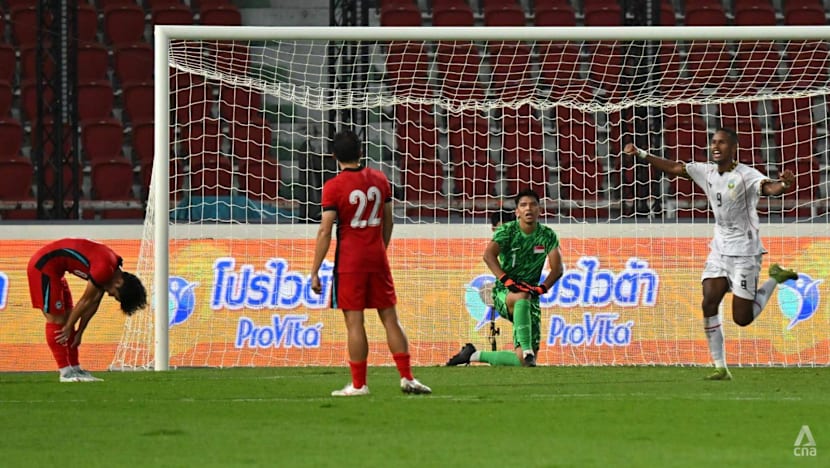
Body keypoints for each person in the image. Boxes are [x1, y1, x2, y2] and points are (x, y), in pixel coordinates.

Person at [623, 127, 799, 380]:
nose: (716, 146)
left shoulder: (746, 175)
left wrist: (784, 183)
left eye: (722, 143)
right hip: (719, 250)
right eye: (713, 142)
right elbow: (675, 168)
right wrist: (641, 154)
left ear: (734, 148)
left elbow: (770, 188)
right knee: (708, 301)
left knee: (742, 318)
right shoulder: (704, 171)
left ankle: (775, 277)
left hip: (745, 254)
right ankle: (720, 366)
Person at [310, 130, 431, 397]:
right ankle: (407, 377)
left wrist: (314, 270)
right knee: (390, 318)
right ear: (361, 152)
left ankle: (358, 384)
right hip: (377, 257)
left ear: (333, 156)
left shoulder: (333, 187)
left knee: (355, 322)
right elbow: (389, 221)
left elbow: (325, 231)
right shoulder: (379, 179)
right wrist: (380, 249)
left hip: (350, 261)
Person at [447, 189, 564, 367]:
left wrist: (542, 288)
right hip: (504, 292)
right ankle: (527, 349)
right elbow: (488, 256)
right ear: (517, 211)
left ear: (540, 210)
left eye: (533, 205)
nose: (528, 209)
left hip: (531, 297)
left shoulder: (547, 235)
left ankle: (472, 355)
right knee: (520, 296)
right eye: (523, 205)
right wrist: (506, 281)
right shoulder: (508, 231)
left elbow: (557, 268)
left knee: (522, 363)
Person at [27, 238, 147, 382]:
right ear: (120, 282)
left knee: (68, 317)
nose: (109, 294)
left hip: (56, 271)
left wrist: (79, 332)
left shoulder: (111, 272)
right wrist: (69, 326)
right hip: (43, 267)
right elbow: (85, 301)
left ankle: (75, 369)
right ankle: (65, 372)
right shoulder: (104, 269)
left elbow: (93, 303)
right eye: (114, 294)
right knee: (58, 320)